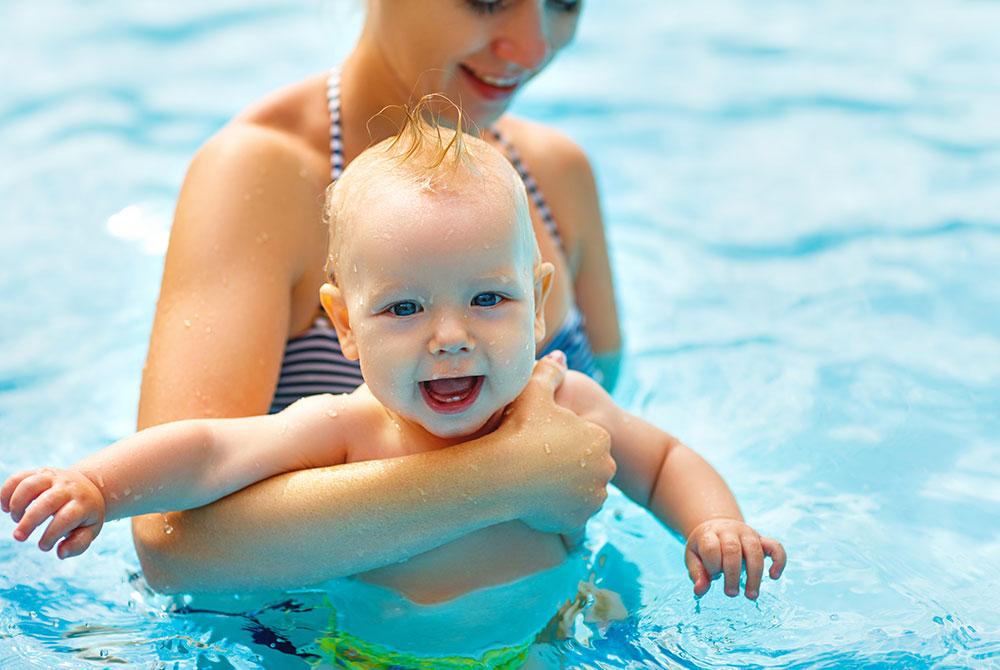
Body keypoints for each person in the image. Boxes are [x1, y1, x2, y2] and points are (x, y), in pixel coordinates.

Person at [2, 117, 785, 665]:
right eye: (404, 309)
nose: (450, 336)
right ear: (344, 325)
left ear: (540, 302)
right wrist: (98, 485)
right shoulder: (345, 428)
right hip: (355, 658)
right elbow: (210, 450)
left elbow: (663, 461)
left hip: (550, 644)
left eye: (488, 299)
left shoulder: (567, 404)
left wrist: (716, 525)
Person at [131, 0, 622, 590]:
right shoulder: (262, 175)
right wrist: (505, 478)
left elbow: (612, 422)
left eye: (564, 4)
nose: (534, 47)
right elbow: (171, 545)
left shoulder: (555, 172)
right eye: (488, 1)